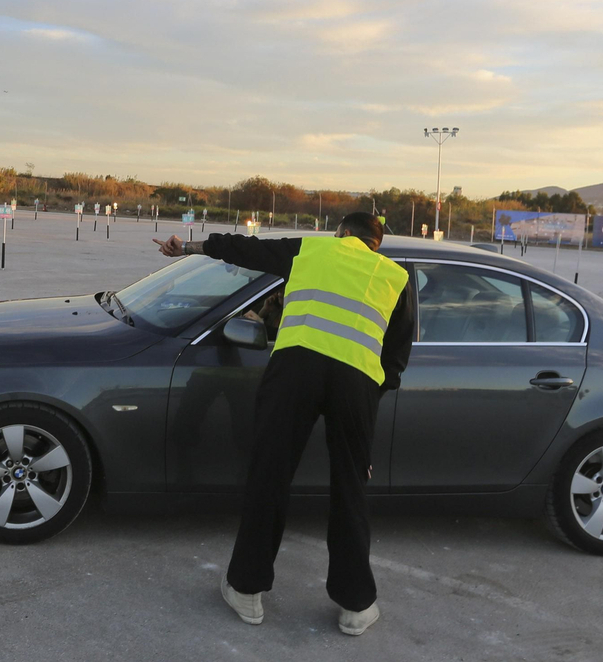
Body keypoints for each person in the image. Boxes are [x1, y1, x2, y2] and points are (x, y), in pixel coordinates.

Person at [152, 211, 412, 636]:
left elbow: (246, 250)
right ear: (375, 244)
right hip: (356, 382)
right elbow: (397, 356)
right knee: (350, 487)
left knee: (269, 476)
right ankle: (356, 606)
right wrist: (369, 395)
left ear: (342, 233)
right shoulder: (395, 276)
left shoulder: (312, 249)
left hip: (295, 371)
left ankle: (247, 591)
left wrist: (190, 247)